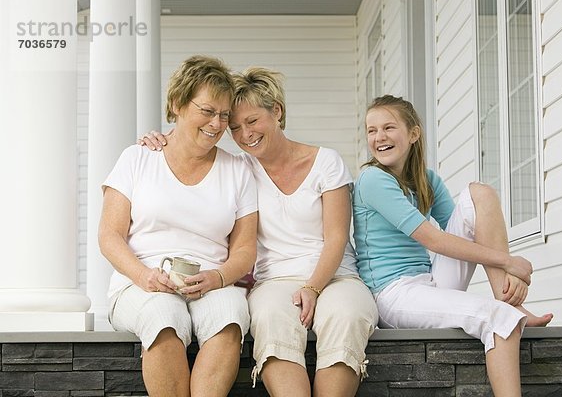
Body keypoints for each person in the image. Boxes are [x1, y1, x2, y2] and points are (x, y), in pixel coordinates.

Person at [140, 67, 378, 397]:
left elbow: (337, 237)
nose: (245, 134)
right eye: (235, 128)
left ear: (276, 111)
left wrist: (312, 287)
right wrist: (162, 136)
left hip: (336, 276)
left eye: (252, 122)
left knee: (347, 316)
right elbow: (188, 141)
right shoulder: (241, 168)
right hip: (274, 281)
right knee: (270, 320)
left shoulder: (327, 162)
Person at [352, 94, 553, 397]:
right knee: (498, 319)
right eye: (371, 130)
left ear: (413, 133)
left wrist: (505, 265)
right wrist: (509, 262)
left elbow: (466, 230)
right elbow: (434, 240)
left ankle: (508, 297)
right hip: (393, 293)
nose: (379, 137)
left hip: (430, 279)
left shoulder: (425, 179)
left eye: (389, 128)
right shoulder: (372, 179)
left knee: (479, 194)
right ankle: (508, 308)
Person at [99, 55, 258, 397]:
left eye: (224, 115)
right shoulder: (137, 158)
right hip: (139, 283)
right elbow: (109, 236)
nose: (216, 124)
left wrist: (217, 278)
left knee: (230, 316)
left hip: (213, 282)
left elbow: (245, 249)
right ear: (177, 104)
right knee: (163, 314)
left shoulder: (238, 169)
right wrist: (144, 276)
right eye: (207, 111)